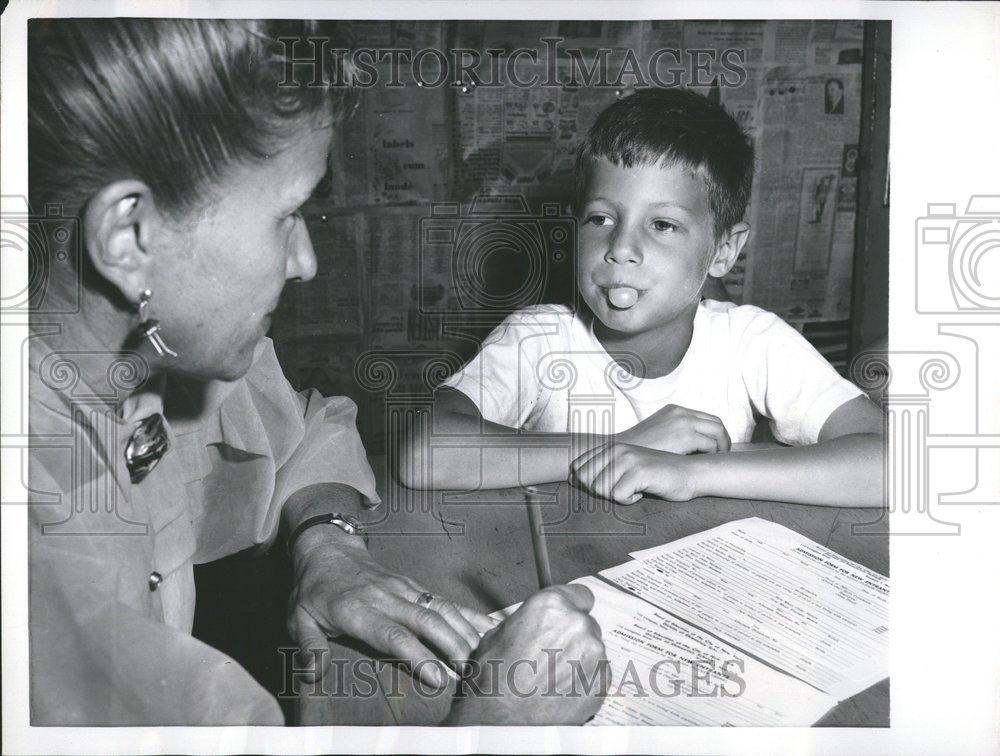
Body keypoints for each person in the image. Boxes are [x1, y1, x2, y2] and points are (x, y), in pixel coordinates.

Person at [26, 19, 605, 725]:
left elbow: (307, 431)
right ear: (129, 239)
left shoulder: (151, 356)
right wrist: (497, 726)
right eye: (289, 214)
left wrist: (328, 544)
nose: (306, 262)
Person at [399, 88, 883, 508]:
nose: (621, 249)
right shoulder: (538, 338)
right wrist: (618, 446)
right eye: (600, 219)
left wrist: (689, 474)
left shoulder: (752, 340)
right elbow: (423, 453)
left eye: (663, 225)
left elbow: (894, 462)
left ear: (723, 251)